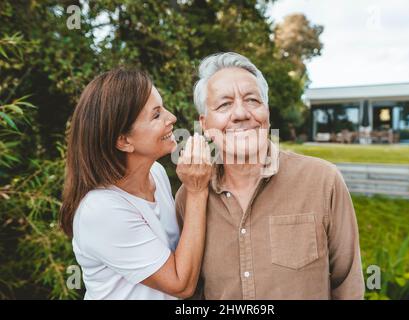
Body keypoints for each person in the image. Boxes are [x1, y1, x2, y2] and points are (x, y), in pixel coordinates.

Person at [175, 52, 365, 300]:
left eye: (252, 100)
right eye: (224, 105)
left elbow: (348, 284)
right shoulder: (190, 197)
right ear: (206, 125)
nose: (241, 113)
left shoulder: (322, 180)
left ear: (267, 112)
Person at [60, 68, 212, 300]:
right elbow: (181, 284)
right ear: (124, 141)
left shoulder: (156, 173)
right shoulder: (101, 210)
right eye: (156, 115)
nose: (171, 118)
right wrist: (197, 190)